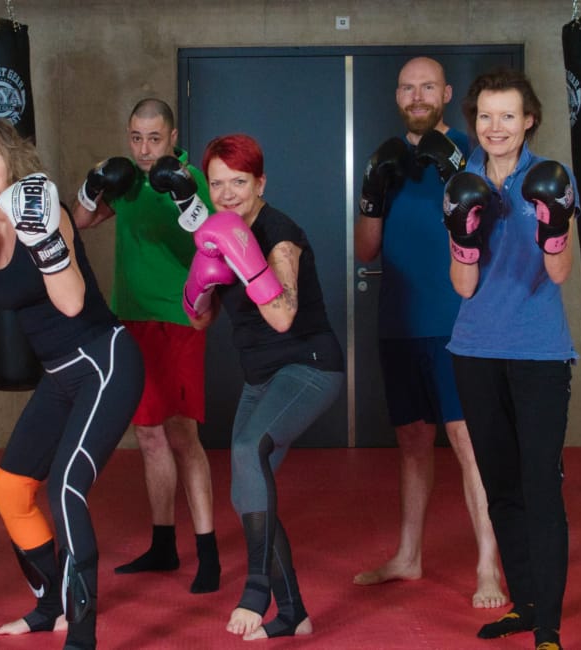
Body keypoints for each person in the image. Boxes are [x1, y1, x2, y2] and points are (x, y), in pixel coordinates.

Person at [0, 115, 142, 650]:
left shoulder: (41, 205)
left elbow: (71, 302)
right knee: (9, 490)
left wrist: (43, 237)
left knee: (65, 489)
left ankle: (83, 636)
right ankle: (50, 606)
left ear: (13, 160)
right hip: (58, 377)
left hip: (103, 361)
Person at [351, 55, 505, 610]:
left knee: (468, 443)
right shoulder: (386, 160)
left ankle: (489, 563)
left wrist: (457, 173)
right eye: (407, 88)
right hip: (399, 323)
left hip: (459, 323)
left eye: (427, 87)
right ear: (397, 97)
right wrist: (372, 190)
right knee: (413, 443)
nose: (417, 96)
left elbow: (494, 240)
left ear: (445, 92)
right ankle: (408, 556)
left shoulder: (475, 152)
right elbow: (365, 249)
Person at [183, 133, 345, 640]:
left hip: (309, 367)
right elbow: (200, 324)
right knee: (247, 490)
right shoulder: (215, 230)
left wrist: (242, 255)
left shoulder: (280, 234)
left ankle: (257, 590)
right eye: (217, 184)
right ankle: (294, 611)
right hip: (261, 377)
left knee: (251, 450)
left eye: (239, 182)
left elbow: (282, 316)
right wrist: (199, 288)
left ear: (261, 183)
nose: (228, 194)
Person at [443, 68, 577, 650]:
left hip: (539, 352)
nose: (495, 127)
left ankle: (548, 624)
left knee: (540, 484)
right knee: (500, 485)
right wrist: (463, 236)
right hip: (473, 348)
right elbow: (463, 286)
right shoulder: (461, 180)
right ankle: (522, 604)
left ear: (529, 121)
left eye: (507, 116)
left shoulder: (552, 177)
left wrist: (553, 228)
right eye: (485, 116)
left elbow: (559, 273)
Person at [70, 98, 220, 594]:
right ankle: (162, 544)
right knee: (149, 435)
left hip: (179, 319)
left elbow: (212, 238)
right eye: (136, 137)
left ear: (173, 137)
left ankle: (208, 552)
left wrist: (183, 197)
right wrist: (91, 187)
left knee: (183, 436)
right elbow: (81, 222)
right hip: (129, 322)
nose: (144, 148)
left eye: (154, 139)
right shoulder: (128, 181)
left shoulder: (193, 179)